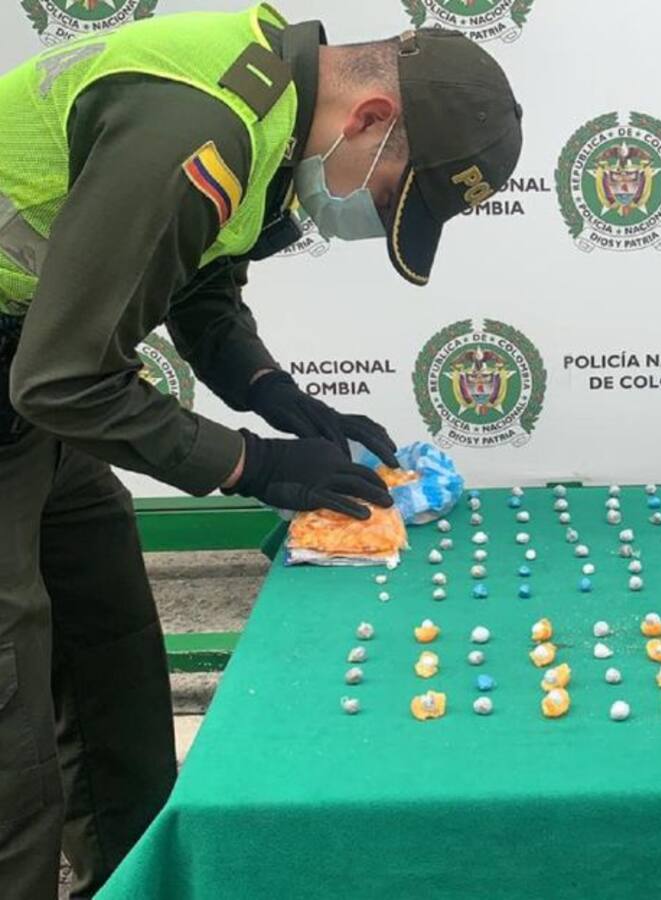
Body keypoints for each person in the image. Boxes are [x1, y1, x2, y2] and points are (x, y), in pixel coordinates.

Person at [0, 4, 522, 897]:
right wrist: (254, 464)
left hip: (28, 363)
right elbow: (64, 380)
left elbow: (199, 288)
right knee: (11, 714)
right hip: (37, 373)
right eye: (390, 198)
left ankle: (133, 884)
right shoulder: (201, 125)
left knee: (107, 647)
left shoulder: (277, 113)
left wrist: (274, 394)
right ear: (370, 118)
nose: (372, 221)